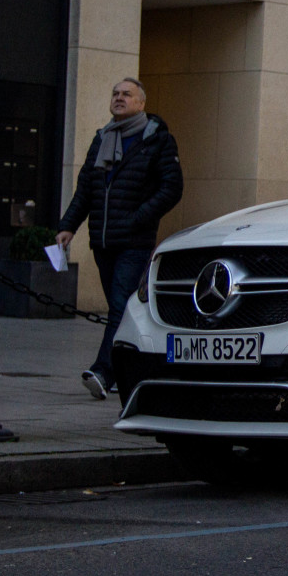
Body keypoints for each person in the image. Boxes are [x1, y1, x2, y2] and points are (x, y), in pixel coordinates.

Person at [57, 78, 183, 399]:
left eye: (126, 94)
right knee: (126, 310)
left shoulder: (157, 140)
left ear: (141, 103)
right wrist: (68, 225)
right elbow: (85, 188)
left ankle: (103, 372)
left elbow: (171, 189)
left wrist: (138, 218)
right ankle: (142, 368)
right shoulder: (102, 139)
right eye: (115, 93)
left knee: (117, 307)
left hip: (134, 241)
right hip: (102, 242)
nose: (119, 98)